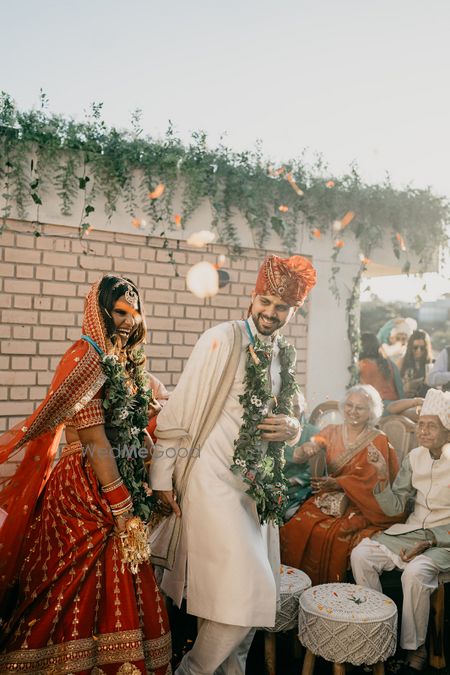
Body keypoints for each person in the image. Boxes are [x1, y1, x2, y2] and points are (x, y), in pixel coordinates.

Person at [150, 254, 317, 675]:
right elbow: (177, 414)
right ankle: (190, 670)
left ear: (293, 312)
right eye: (265, 301)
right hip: (213, 484)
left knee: (242, 606)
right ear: (253, 297)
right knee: (246, 593)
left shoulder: (283, 355)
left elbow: (294, 411)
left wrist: (293, 428)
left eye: (282, 307)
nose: (270, 312)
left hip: (256, 493)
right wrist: (161, 478)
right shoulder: (222, 339)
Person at [0, 276, 172, 674]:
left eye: (133, 312)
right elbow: (94, 438)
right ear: (99, 312)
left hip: (113, 479)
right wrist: (121, 506)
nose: (128, 320)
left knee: (124, 578)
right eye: (119, 312)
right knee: (73, 587)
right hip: (84, 490)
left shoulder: (121, 360)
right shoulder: (87, 357)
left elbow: (130, 430)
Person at [351, 388, 450, 674]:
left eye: (432, 426)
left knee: (415, 574)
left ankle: (414, 647)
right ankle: (375, 630)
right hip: (411, 532)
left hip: (443, 542)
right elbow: (395, 506)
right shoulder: (414, 457)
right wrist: (382, 473)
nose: (423, 431)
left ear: (447, 431)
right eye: (421, 425)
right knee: (361, 555)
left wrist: (431, 539)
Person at [280, 385, 402, 585]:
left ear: (371, 412)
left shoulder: (378, 440)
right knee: (298, 524)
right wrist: (306, 448)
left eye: (360, 408)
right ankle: (294, 587)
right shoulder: (330, 431)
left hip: (362, 504)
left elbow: (375, 482)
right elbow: (305, 451)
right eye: (349, 405)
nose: (352, 411)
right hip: (329, 499)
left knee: (335, 534)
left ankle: (330, 592)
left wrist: (339, 483)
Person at [359, 332, 404, 405]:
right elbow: (400, 388)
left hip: (376, 405)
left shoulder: (361, 365)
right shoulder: (388, 363)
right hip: (394, 404)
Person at [399, 330, 433, 398]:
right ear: (410, 347)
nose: (419, 350)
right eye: (415, 347)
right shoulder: (402, 362)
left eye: (422, 348)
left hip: (424, 399)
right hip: (405, 400)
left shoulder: (431, 364)